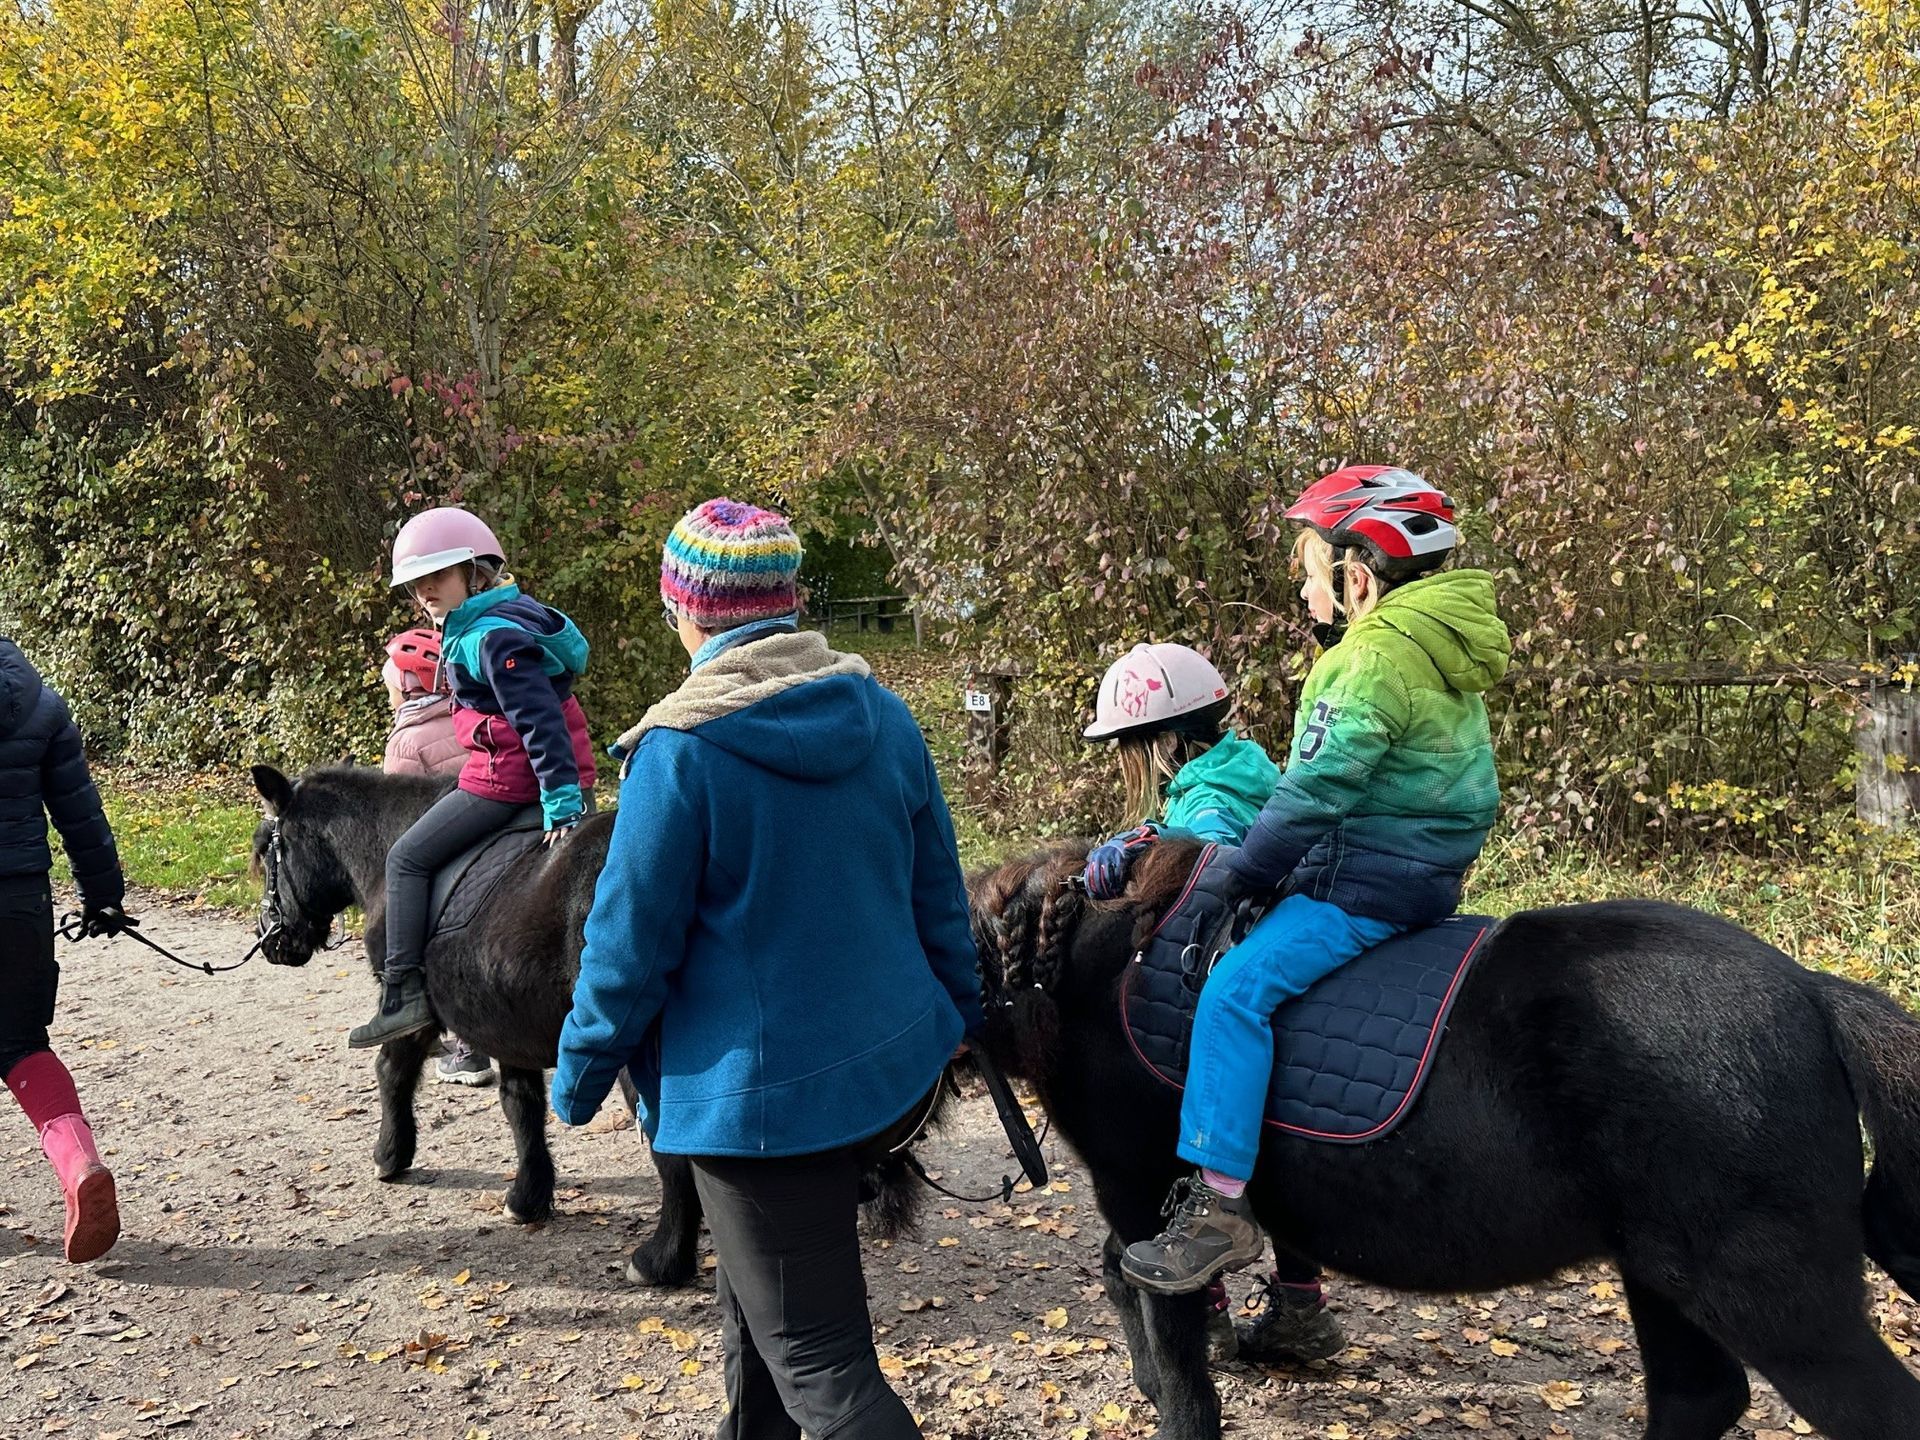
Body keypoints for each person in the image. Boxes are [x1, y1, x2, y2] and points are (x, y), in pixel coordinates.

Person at [552, 497, 982, 1440]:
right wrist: (961, 1019)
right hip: (884, 1072)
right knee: (762, 1324)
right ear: (791, 605)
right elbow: (938, 896)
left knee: (826, 1370)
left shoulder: (680, 753)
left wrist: (579, 1074)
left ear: (683, 611)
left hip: (761, 1109)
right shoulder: (883, 715)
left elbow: (627, 949)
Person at [1119, 465, 1510, 1294]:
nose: (1304, 593)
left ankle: (1221, 1209)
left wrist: (1244, 876)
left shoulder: (1366, 659)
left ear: (1356, 578)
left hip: (1366, 883)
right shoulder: (1441, 647)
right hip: (1430, 872)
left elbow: (1315, 793)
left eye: (1309, 573)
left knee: (1233, 991)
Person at [1079, 643, 1343, 1361]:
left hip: (1239, 964)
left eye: (1129, 749)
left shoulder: (1208, 795)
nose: (1125, 765)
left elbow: (1214, 852)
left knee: (1185, 1125)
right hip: (1293, 971)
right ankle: (1301, 1308)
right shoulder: (1245, 765)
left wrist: (1152, 842)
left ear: (1164, 744)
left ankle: (1210, 1316)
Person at [349, 507, 597, 1050]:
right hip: (522, 770)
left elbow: (539, 719)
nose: (425, 591)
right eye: (417, 582)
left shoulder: (492, 638)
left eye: (438, 576)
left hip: (507, 779)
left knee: (405, 858)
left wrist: (563, 800)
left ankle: (404, 993)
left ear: (476, 572)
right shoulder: (509, 616)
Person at [0, 635, 134, 1263]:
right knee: (22, 1044)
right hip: (18, 902)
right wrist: (103, 897)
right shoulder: (38, 702)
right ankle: (79, 1164)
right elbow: (80, 814)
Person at [377, 627, 495, 1085]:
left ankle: (437, 1026)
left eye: (390, 683)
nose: (387, 691)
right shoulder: (468, 714)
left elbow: (398, 818)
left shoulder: (405, 743)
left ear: (408, 686)